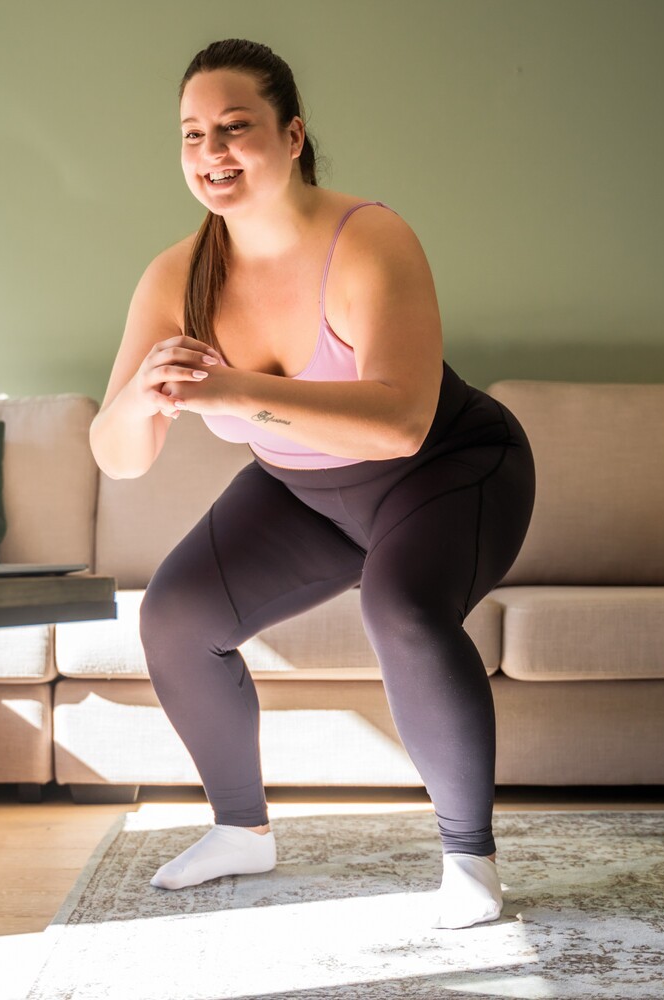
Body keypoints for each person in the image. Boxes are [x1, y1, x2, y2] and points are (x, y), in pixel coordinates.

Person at [88, 38, 536, 930]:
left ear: (292, 137)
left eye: (234, 128)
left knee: (402, 610)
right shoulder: (175, 276)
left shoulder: (368, 238)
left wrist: (230, 390)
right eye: (190, 135)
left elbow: (400, 421)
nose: (210, 152)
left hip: (447, 469)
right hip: (303, 490)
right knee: (175, 617)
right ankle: (240, 830)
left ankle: (468, 862)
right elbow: (119, 456)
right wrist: (140, 395)